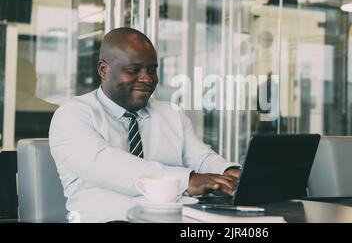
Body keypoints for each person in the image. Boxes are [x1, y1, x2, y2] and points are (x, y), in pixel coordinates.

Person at [49, 27, 240, 222]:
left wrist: (228, 172)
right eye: (134, 70)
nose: (147, 79)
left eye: (152, 70)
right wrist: (187, 180)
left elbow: (201, 157)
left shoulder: (171, 113)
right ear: (104, 69)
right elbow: (108, 165)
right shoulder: (72, 115)